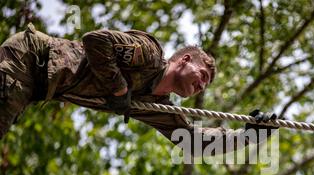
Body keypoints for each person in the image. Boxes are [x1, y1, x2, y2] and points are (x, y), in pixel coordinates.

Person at [0, 23, 277, 156]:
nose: (201, 85)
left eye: (205, 84)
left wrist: (249, 135)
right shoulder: (149, 54)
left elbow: (193, 142)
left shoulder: (156, 103)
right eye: (202, 75)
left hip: (36, 87)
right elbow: (96, 41)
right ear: (184, 60)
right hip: (29, 60)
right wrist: (119, 90)